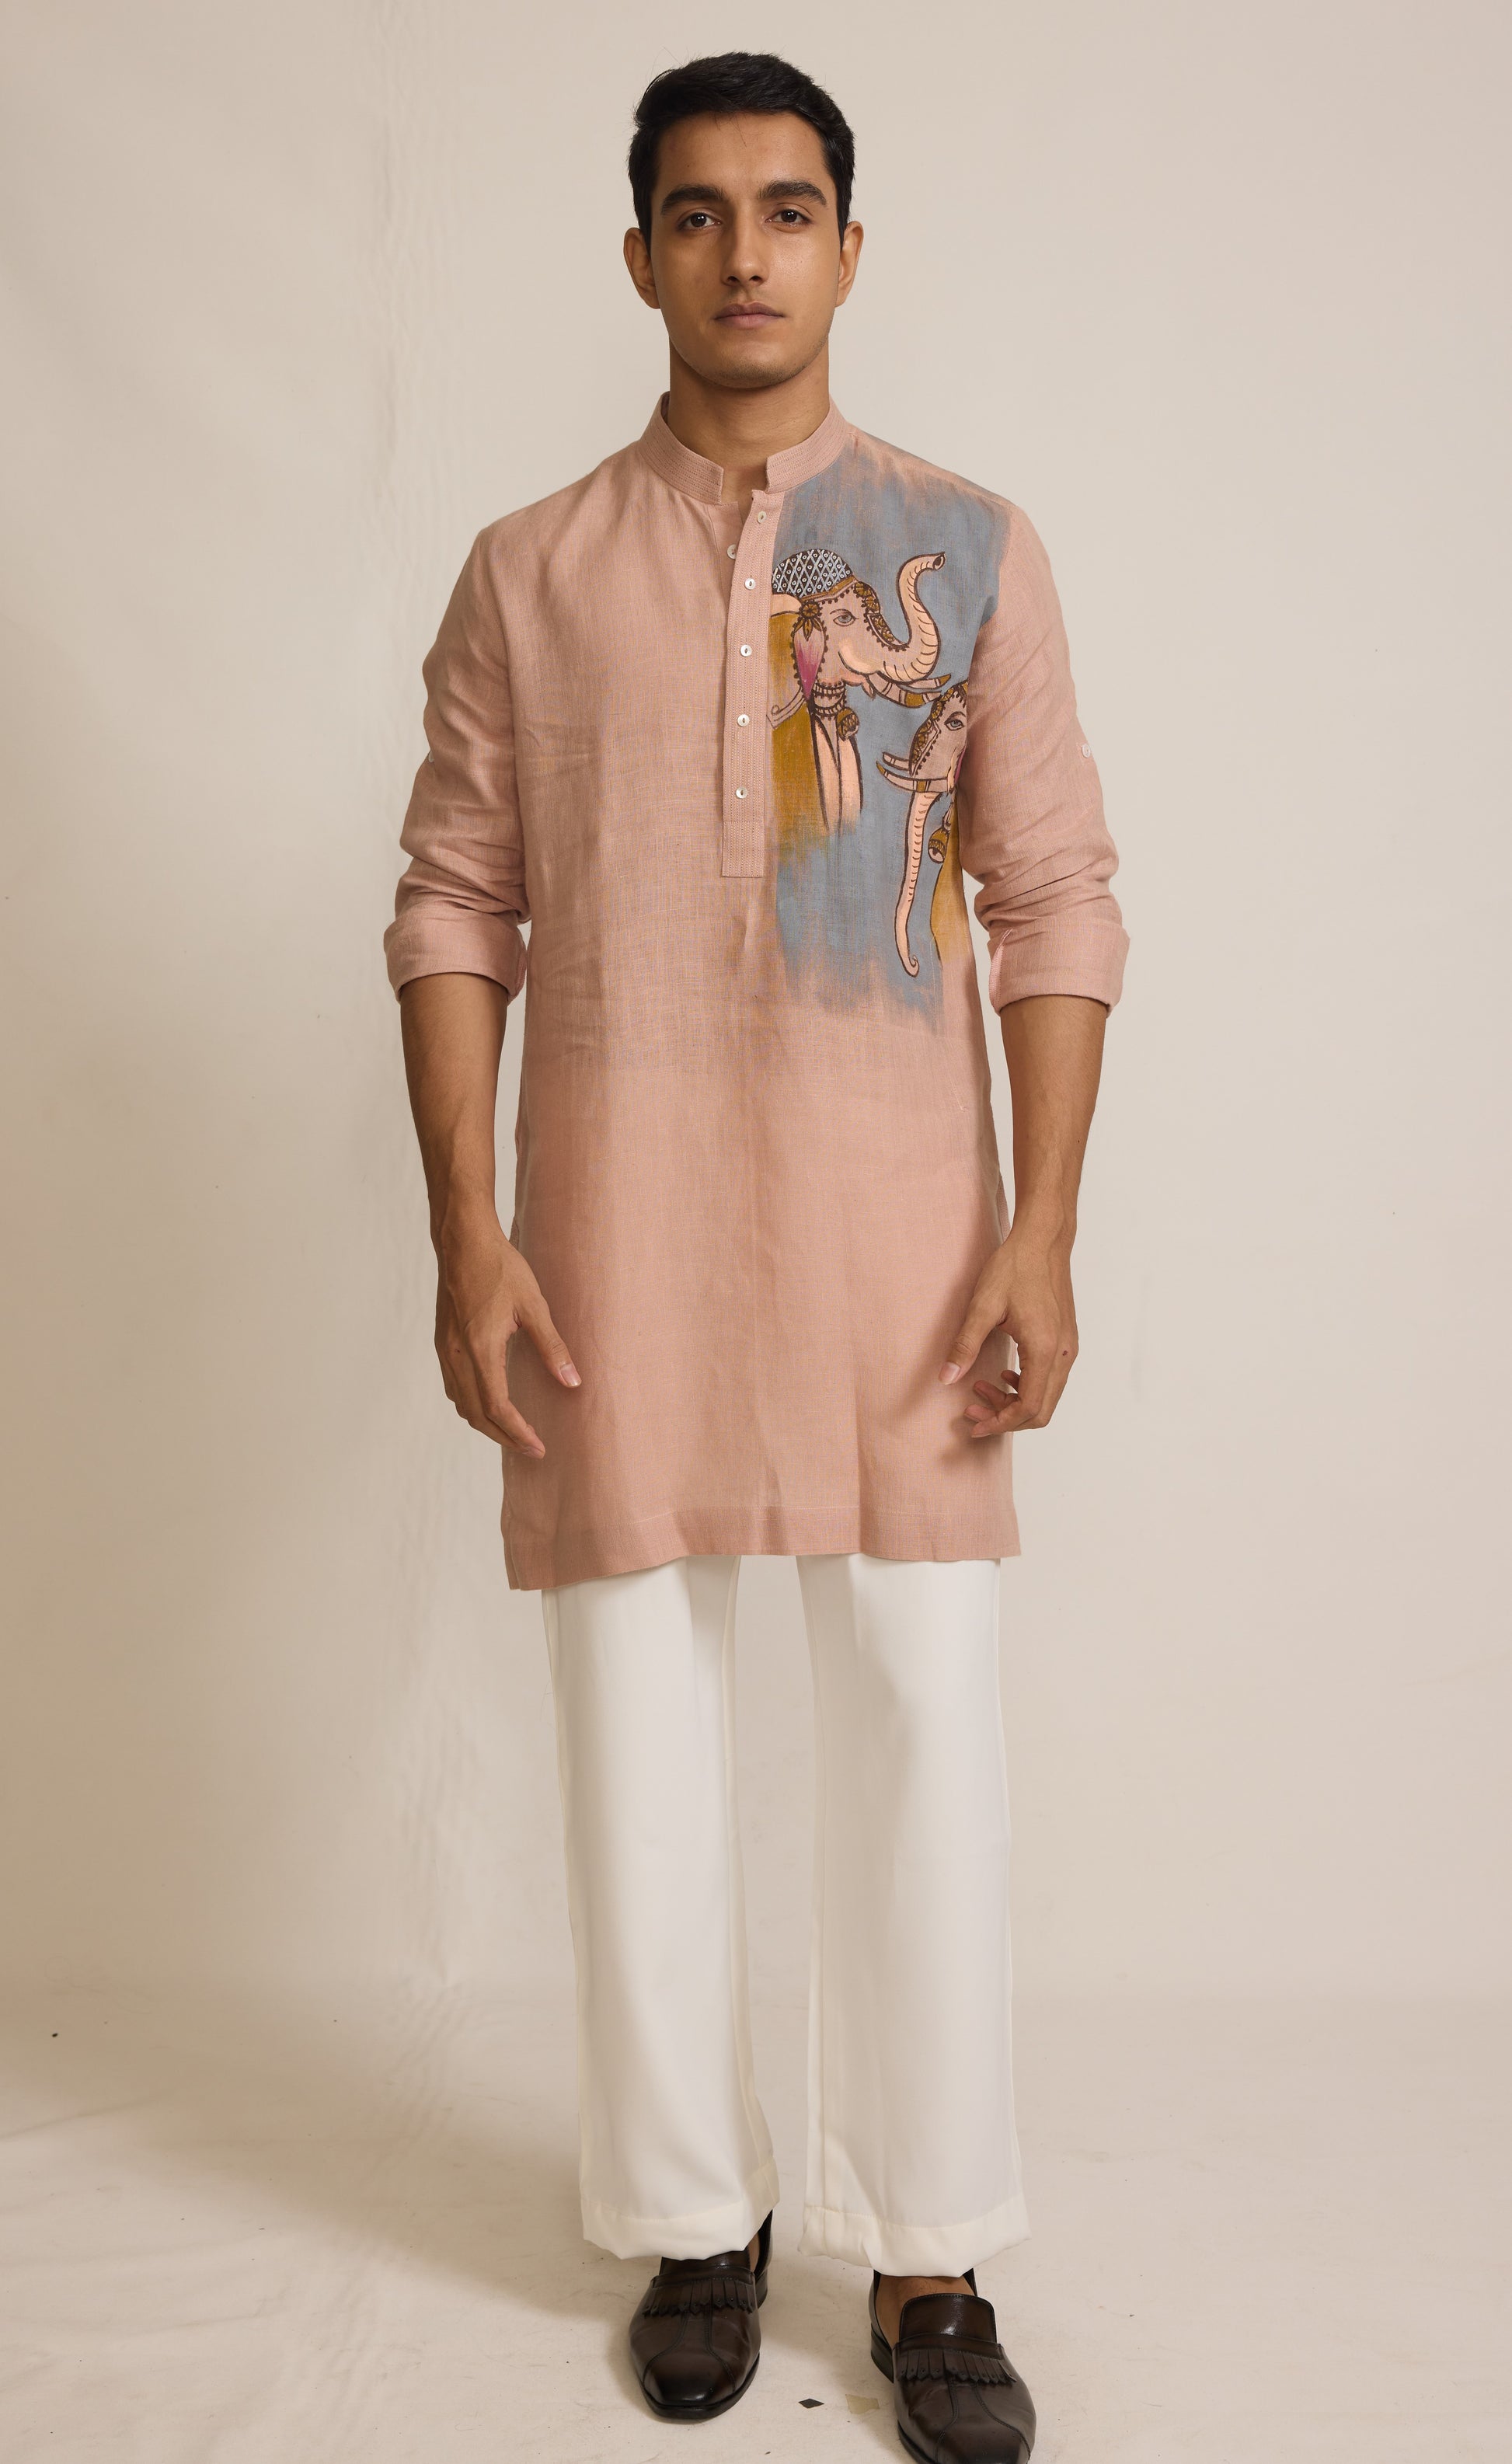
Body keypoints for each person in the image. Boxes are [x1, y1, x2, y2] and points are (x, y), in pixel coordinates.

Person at [384, 50, 1127, 2464]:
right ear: (638, 257)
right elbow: (451, 901)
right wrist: (469, 1229)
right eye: (695, 213)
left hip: (903, 1236)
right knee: (638, 1723)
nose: (742, 252)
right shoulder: (528, 570)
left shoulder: (959, 548)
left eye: (786, 208)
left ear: (847, 249)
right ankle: (695, 2215)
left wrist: (1039, 1223)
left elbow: (1053, 897)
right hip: (609, 1232)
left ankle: (929, 2245)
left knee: (921, 1719)